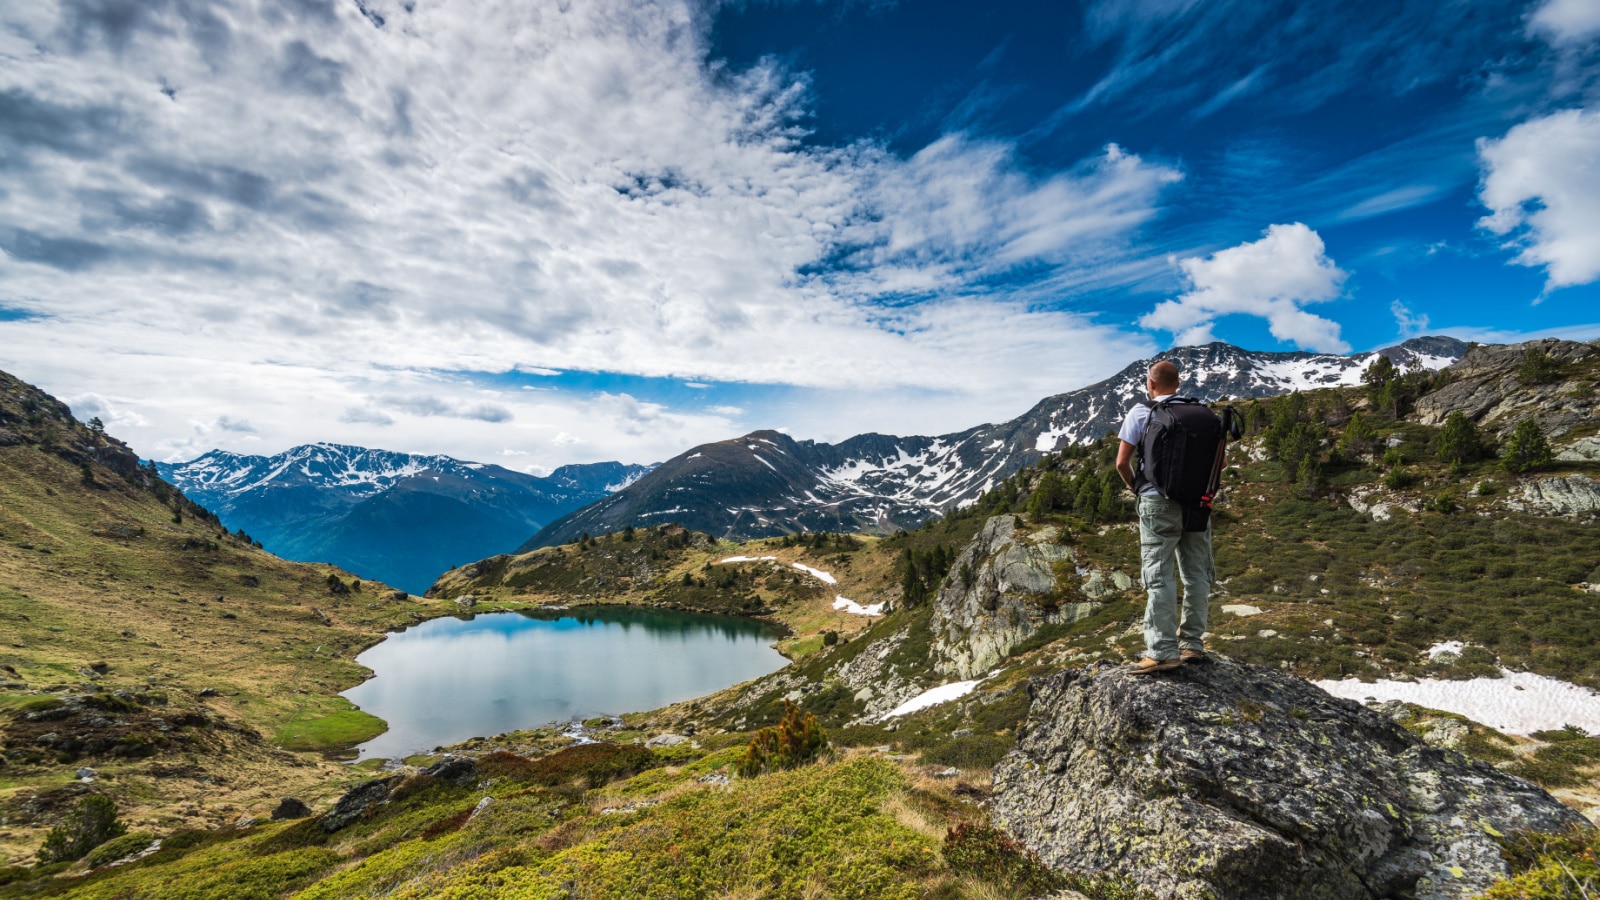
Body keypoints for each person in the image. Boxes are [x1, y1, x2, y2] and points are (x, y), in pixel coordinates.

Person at [1113, 360, 1218, 674]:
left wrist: (1140, 489)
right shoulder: (1204, 415)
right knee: (1196, 575)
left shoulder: (1141, 412)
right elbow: (1220, 463)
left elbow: (1121, 463)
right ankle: (1192, 646)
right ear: (1179, 383)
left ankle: (1161, 652)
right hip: (1198, 505)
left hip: (1157, 504)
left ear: (1151, 383)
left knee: (1159, 578)